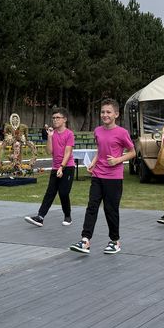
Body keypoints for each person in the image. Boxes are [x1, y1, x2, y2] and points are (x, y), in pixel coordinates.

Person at [70, 98, 135, 255]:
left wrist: (118, 160)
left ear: (116, 114)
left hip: (114, 177)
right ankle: (85, 240)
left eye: (108, 112)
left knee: (110, 209)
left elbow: (132, 152)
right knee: (92, 206)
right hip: (98, 174)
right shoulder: (98, 131)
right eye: (103, 112)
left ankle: (115, 241)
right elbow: (100, 150)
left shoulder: (122, 133)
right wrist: (93, 162)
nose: (105, 115)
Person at [24, 107, 76, 227]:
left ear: (64, 119)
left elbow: (68, 153)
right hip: (55, 167)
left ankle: (67, 216)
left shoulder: (69, 134)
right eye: (53, 118)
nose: (55, 120)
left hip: (67, 167)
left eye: (58, 117)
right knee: (50, 192)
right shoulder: (52, 134)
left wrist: (62, 167)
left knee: (63, 193)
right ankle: (40, 217)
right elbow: (49, 151)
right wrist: (50, 136)